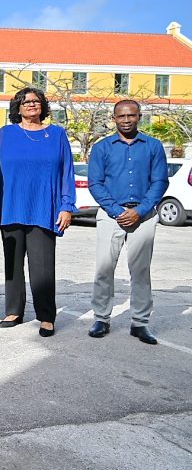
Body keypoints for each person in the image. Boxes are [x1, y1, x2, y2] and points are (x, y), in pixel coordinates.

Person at [0, 87, 75, 337]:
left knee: (43, 268)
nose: (31, 105)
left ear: (43, 106)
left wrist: (66, 206)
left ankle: (46, 316)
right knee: (12, 265)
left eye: (36, 101)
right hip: (10, 208)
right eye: (25, 102)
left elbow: (67, 173)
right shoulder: (5, 134)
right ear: (17, 108)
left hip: (44, 209)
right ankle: (14, 311)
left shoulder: (57, 134)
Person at [87, 100, 168, 345]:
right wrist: (115, 210)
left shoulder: (153, 146)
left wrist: (141, 210)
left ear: (139, 117)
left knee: (141, 271)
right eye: (121, 116)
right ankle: (101, 318)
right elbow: (95, 183)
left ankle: (140, 323)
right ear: (114, 118)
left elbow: (160, 182)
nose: (126, 120)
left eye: (131, 115)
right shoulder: (102, 148)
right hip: (111, 216)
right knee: (104, 268)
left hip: (143, 217)